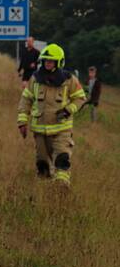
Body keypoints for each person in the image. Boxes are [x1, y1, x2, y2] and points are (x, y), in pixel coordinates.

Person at [17, 44, 86, 186]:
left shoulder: (69, 79)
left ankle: (61, 191)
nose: (48, 63)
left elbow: (80, 98)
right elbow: (26, 99)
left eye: (51, 60)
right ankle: (44, 195)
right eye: (46, 60)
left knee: (61, 160)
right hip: (40, 131)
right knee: (42, 165)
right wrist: (22, 121)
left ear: (59, 62)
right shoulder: (35, 79)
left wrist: (68, 110)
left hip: (61, 130)